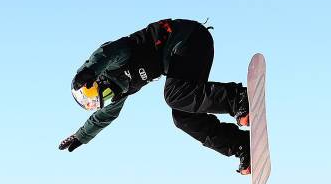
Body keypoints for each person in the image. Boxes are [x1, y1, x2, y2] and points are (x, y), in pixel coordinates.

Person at [59, 19, 251, 174]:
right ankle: (241, 144)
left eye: (104, 94)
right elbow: (103, 117)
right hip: (183, 58)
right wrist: (81, 136)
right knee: (183, 117)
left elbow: (108, 52)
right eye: (104, 101)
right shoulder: (119, 92)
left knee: (174, 95)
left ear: (99, 82)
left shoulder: (115, 63)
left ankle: (238, 98)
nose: (110, 98)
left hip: (188, 39)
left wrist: (89, 71)